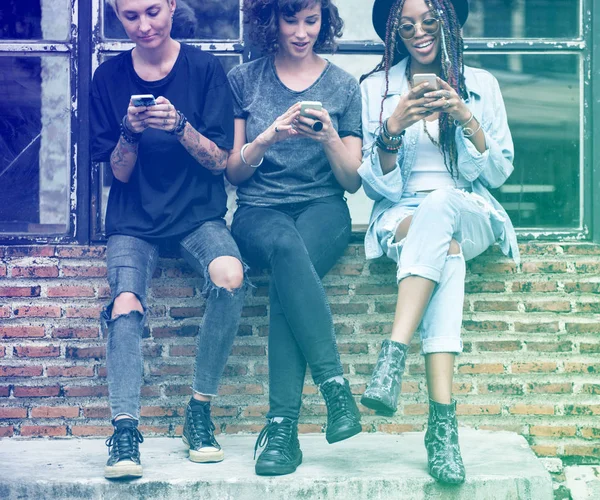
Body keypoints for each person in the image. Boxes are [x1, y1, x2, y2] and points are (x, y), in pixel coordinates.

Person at [358, 0, 520, 484]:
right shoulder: (377, 88)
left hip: (468, 208)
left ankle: (393, 352)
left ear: (448, 22)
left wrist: (466, 117)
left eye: (429, 22)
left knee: (443, 206)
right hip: (404, 215)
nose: (419, 32)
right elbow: (375, 187)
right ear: (393, 30)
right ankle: (442, 429)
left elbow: (500, 171)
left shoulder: (481, 85)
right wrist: (392, 128)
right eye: (406, 25)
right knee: (441, 244)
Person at [91, 0, 246, 480]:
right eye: (131, 16)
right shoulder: (108, 78)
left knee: (230, 276)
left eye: (153, 11)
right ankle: (124, 431)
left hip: (197, 215)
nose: (144, 25)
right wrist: (131, 132)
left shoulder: (204, 69)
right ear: (118, 16)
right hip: (132, 220)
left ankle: (198, 413)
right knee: (125, 305)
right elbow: (117, 172)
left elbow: (221, 161)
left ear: (173, 6)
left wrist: (179, 126)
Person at [227, 0, 363, 477]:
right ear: (272, 21)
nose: (302, 32)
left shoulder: (345, 86)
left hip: (325, 210)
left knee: (292, 268)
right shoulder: (244, 79)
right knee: (287, 249)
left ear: (324, 21)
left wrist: (327, 136)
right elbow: (235, 172)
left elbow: (351, 181)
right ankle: (334, 389)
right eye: (291, 20)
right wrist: (268, 137)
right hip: (259, 212)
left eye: (311, 20)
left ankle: (281, 429)